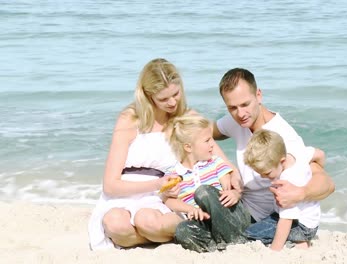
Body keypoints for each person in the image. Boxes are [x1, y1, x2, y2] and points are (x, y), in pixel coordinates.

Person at [87, 58, 235, 250]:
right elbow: (110, 185)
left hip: (164, 196)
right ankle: (159, 238)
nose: (173, 102)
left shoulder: (186, 118)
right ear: (148, 96)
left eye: (176, 94)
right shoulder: (129, 120)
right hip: (127, 190)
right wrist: (156, 184)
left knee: (147, 221)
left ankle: (181, 231)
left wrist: (234, 182)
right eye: (164, 99)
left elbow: (217, 157)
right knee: (115, 225)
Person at [212, 67, 335, 224]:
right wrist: (229, 168)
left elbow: (327, 183)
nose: (240, 114)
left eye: (245, 104)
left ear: (258, 95)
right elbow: (202, 133)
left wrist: (302, 193)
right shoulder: (237, 119)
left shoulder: (282, 136)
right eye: (232, 108)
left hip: (268, 218)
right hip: (241, 204)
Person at [164, 114, 251, 252]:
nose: (212, 144)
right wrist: (191, 210)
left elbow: (230, 187)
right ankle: (215, 245)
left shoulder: (215, 163)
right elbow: (169, 200)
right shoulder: (175, 174)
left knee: (203, 192)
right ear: (188, 147)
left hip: (231, 218)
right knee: (182, 230)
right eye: (207, 140)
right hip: (206, 224)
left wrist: (235, 194)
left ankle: (234, 239)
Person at [243, 129, 321, 251]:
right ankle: (300, 239)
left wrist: (275, 250)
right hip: (312, 220)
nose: (263, 177)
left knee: (249, 233)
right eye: (260, 173)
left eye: (267, 173)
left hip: (300, 226)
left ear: (282, 161)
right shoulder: (297, 153)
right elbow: (319, 154)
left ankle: (297, 241)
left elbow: (286, 220)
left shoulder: (285, 184)